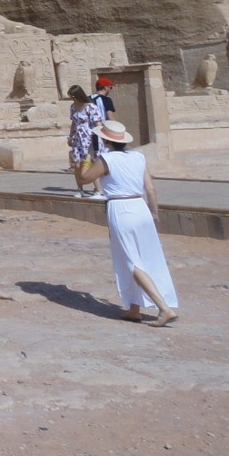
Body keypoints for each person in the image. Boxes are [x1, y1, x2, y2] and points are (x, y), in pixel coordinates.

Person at [75, 121, 178, 326]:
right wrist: (154, 212)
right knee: (140, 256)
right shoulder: (138, 157)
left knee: (131, 260)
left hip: (121, 209)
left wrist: (86, 158)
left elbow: (85, 178)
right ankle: (134, 308)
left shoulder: (107, 159)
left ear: (106, 140)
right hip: (141, 207)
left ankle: (164, 308)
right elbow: (150, 189)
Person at [67, 84, 104, 199]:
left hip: (90, 138)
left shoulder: (90, 107)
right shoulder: (73, 107)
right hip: (78, 139)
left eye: (73, 96)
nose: (72, 99)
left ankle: (99, 190)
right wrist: (70, 136)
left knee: (91, 163)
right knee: (77, 164)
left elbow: (98, 123)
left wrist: (98, 138)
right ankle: (80, 188)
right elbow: (73, 122)